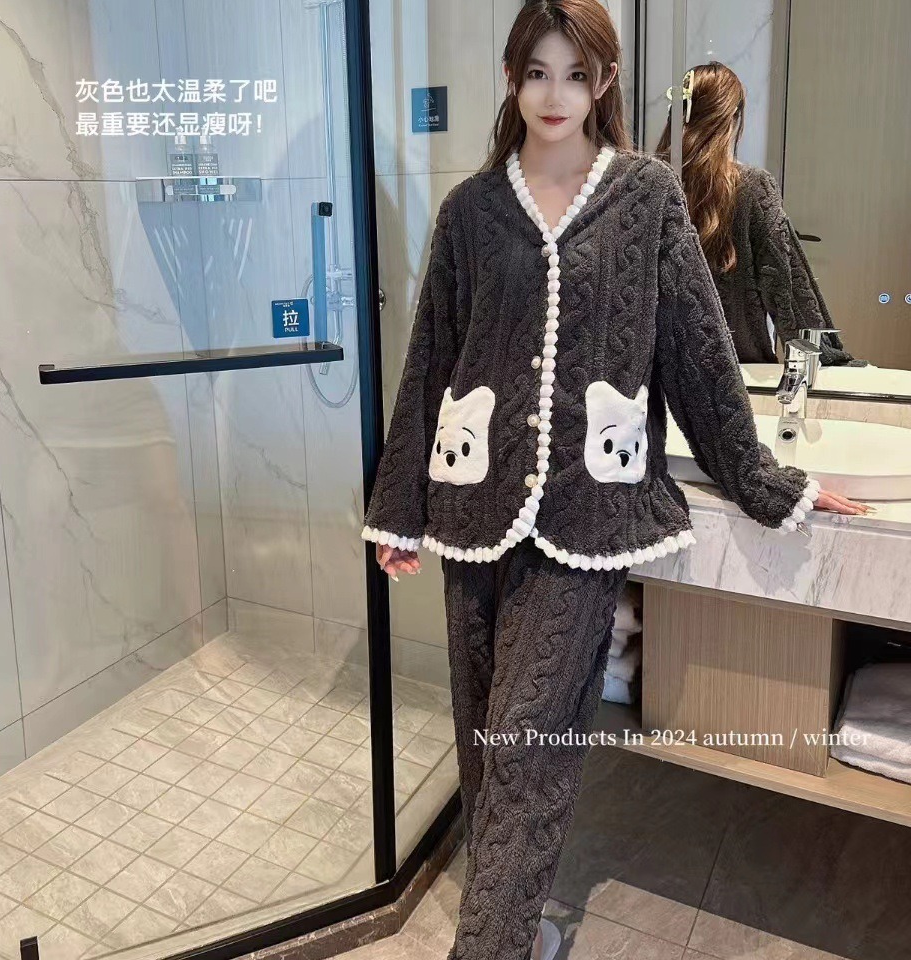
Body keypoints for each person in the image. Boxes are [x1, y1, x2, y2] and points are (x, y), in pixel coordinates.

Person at [361, 4, 871, 959]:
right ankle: (520, 924)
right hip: (472, 509)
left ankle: (489, 946)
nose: (555, 95)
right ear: (512, 79)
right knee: (486, 737)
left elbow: (699, 357)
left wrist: (766, 481)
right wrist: (399, 510)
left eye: (576, 73)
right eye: (536, 72)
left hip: (587, 515)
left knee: (526, 740)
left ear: (605, 81)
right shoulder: (470, 210)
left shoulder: (645, 197)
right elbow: (431, 359)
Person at [655, 61, 866, 367]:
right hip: (738, 369)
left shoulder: (648, 184)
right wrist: (825, 357)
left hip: (660, 375)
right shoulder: (752, 187)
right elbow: (785, 286)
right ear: (733, 118)